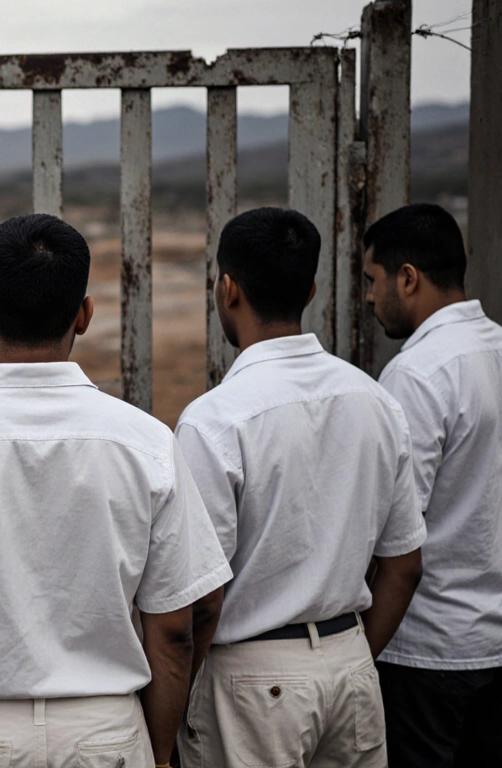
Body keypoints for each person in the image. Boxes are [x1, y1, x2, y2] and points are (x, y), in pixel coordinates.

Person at [0, 213, 233, 768]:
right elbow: (177, 629)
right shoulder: (147, 443)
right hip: (107, 730)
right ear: (84, 315)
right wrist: (158, 750)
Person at [174, 207, 426, 768]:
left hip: (250, 680)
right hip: (351, 664)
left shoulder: (215, 420)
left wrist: (175, 700)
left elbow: (201, 599)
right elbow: (404, 566)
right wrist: (351, 656)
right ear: (311, 289)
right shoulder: (377, 402)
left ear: (227, 289)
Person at [363, 203, 502, 768]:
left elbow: (391, 524)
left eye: (374, 281)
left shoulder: (416, 373)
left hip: (425, 653)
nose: (371, 298)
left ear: (408, 277)